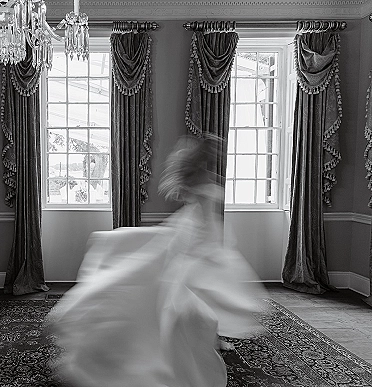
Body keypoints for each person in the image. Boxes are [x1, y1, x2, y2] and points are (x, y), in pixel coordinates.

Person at [45, 135, 267, 387]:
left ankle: (208, 337)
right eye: (214, 153)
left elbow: (200, 214)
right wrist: (210, 250)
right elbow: (205, 222)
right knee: (180, 292)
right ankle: (184, 343)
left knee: (197, 294)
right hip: (192, 239)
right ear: (208, 157)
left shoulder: (198, 180)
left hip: (188, 234)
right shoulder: (205, 183)